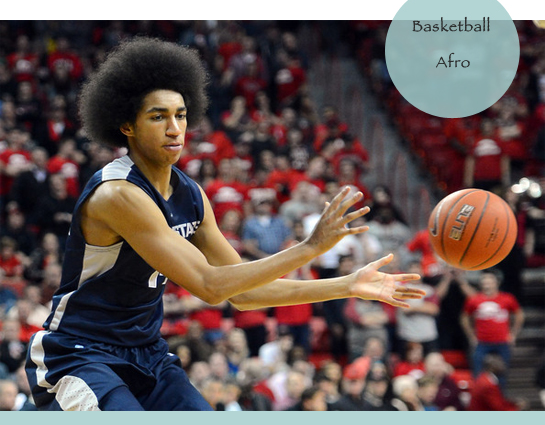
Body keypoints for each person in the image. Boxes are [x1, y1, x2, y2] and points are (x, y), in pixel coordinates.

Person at [25, 37, 424, 411]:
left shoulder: (191, 195)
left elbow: (246, 293)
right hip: (81, 354)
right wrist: (309, 247)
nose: (174, 128)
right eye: (158, 117)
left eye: (180, 115)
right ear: (126, 126)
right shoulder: (119, 195)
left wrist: (347, 285)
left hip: (147, 353)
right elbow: (211, 286)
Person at [460, 269, 524, 389]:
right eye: (485, 281)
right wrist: (471, 335)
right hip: (482, 341)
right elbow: (464, 317)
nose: (487, 283)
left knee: (502, 374)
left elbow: (519, 314)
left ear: (497, 283)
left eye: (490, 281)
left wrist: (513, 333)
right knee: (478, 374)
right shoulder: (474, 299)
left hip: (502, 341)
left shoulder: (507, 298)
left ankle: (500, 402)